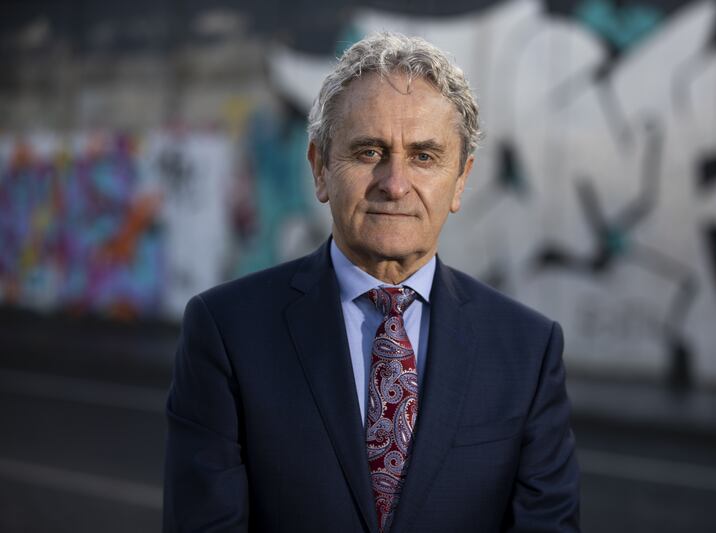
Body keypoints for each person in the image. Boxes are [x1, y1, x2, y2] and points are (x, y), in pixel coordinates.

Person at [163, 32, 580, 533]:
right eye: (368, 152)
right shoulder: (227, 331)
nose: (395, 183)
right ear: (320, 170)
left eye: (424, 156)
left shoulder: (527, 349)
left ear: (461, 180)